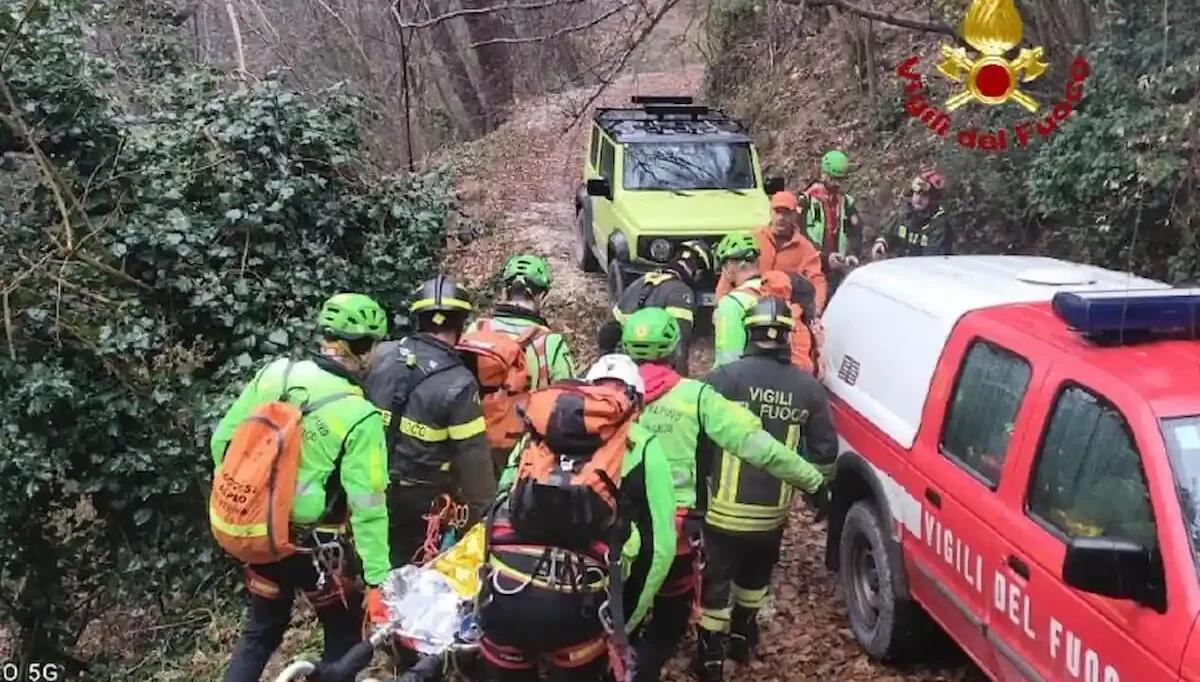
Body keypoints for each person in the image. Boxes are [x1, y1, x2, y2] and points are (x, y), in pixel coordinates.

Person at [617, 308, 829, 682]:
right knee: (673, 613)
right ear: (674, 348)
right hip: (680, 532)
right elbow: (762, 448)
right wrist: (814, 483)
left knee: (622, 602)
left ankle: (620, 658)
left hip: (620, 528)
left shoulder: (603, 394)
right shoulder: (697, 398)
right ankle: (659, 666)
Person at [212, 293, 391, 682]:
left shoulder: (275, 374)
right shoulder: (359, 415)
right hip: (313, 548)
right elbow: (368, 504)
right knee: (344, 630)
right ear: (362, 348)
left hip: (259, 532)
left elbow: (221, 442)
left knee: (260, 629)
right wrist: (378, 580)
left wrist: (254, 501)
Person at [480, 354, 678, 682]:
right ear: (637, 403)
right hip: (577, 608)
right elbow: (659, 548)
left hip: (504, 594)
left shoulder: (539, 428)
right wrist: (623, 621)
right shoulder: (642, 445)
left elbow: (501, 502)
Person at [694, 297, 836, 681]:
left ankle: (709, 655)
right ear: (788, 336)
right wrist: (815, 495)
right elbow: (825, 454)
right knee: (755, 576)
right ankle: (743, 635)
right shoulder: (808, 388)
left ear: (748, 332)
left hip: (721, 512)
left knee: (716, 581)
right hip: (771, 515)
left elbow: (698, 440)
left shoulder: (723, 379)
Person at [363, 275, 496, 567]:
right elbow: (473, 459)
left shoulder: (381, 355)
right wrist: (486, 513)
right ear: (460, 323)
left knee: (369, 559)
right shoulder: (460, 383)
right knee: (409, 571)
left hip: (368, 486)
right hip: (421, 503)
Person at [598, 240, 713, 375]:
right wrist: (680, 381)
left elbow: (608, 333)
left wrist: (604, 365)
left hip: (627, 368)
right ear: (697, 272)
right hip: (658, 370)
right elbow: (680, 345)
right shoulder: (681, 293)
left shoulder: (641, 282)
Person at [711, 233, 820, 374]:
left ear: (732, 266)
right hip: (788, 376)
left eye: (724, 267)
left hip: (749, 379)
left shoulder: (731, 303)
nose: (724, 273)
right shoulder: (780, 291)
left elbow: (728, 358)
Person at [469, 254, 577, 388]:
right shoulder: (551, 343)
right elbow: (571, 394)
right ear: (543, 297)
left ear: (504, 292)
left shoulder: (477, 329)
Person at [714, 191, 828, 316]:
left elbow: (817, 280)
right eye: (777, 212)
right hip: (747, 308)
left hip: (784, 314)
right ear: (770, 212)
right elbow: (730, 272)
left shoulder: (805, 248)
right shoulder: (752, 239)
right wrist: (720, 305)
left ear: (795, 215)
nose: (781, 218)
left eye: (786, 213)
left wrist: (816, 311)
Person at [804, 150, 864, 293]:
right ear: (823, 175)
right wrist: (824, 257)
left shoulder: (846, 202)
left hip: (837, 268)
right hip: (811, 266)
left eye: (840, 180)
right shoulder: (807, 201)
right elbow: (800, 234)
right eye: (833, 179)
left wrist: (853, 253)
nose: (837, 184)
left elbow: (856, 231)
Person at [871, 169, 951, 258]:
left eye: (924, 195)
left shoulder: (938, 223)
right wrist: (882, 242)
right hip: (900, 264)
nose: (918, 199)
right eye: (916, 193)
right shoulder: (904, 214)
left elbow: (933, 256)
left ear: (932, 199)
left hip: (925, 265)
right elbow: (888, 233)